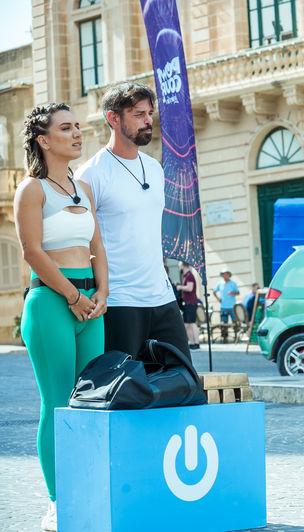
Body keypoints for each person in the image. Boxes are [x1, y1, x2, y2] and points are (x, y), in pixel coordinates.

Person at [16, 103, 109, 531]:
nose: (77, 134)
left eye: (78, 127)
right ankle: (58, 502)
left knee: (90, 405)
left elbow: (97, 247)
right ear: (43, 139)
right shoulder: (32, 189)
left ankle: (87, 493)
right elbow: (32, 251)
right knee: (57, 403)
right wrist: (72, 295)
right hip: (52, 301)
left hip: (91, 304)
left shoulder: (83, 187)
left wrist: (102, 291)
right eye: (66, 128)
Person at [76, 82, 191, 357]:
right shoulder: (89, 175)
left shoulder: (155, 169)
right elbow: (87, 243)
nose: (148, 120)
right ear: (113, 118)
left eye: (150, 113)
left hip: (162, 297)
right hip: (119, 300)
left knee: (183, 377)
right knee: (124, 382)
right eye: (139, 114)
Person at [176, 261, 201, 349]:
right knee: (187, 324)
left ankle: (197, 343)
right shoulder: (185, 275)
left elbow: (190, 288)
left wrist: (180, 287)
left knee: (192, 323)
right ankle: (192, 343)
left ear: (183, 265)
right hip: (187, 303)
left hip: (191, 303)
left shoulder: (189, 275)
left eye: (179, 265)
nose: (178, 267)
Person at [213, 270, 239, 341]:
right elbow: (214, 291)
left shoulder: (233, 283)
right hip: (223, 306)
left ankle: (236, 337)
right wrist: (218, 299)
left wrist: (233, 293)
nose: (224, 276)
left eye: (226, 274)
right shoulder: (220, 283)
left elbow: (238, 292)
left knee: (234, 322)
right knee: (224, 323)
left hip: (232, 306)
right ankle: (225, 338)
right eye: (223, 274)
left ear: (229, 275)